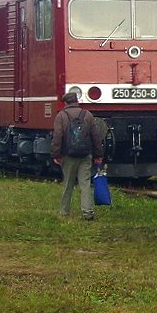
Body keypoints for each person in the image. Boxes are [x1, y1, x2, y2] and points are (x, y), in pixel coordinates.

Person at [51, 92, 105, 220]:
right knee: (85, 184)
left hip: (68, 155)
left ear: (65, 103)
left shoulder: (61, 116)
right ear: (77, 101)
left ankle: (64, 212)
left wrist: (56, 154)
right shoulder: (88, 115)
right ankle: (88, 212)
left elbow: (57, 136)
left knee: (68, 183)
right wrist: (98, 154)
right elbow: (95, 137)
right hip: (85, 155)